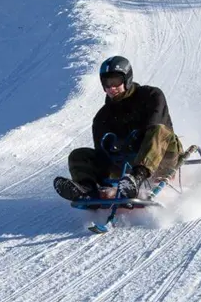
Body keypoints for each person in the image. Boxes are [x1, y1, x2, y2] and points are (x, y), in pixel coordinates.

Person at [53, 56, 184, 201]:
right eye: (106, 83)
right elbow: (102, 155)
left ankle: (137, 177)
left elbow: (158, 127)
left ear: (127, 79)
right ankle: (87, 190)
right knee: (78, 155)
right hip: (126, 167)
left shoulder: (151, 96)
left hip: (163, 156)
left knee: (158, 130)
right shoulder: (102, 117)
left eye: (115, 81)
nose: (111, 88)